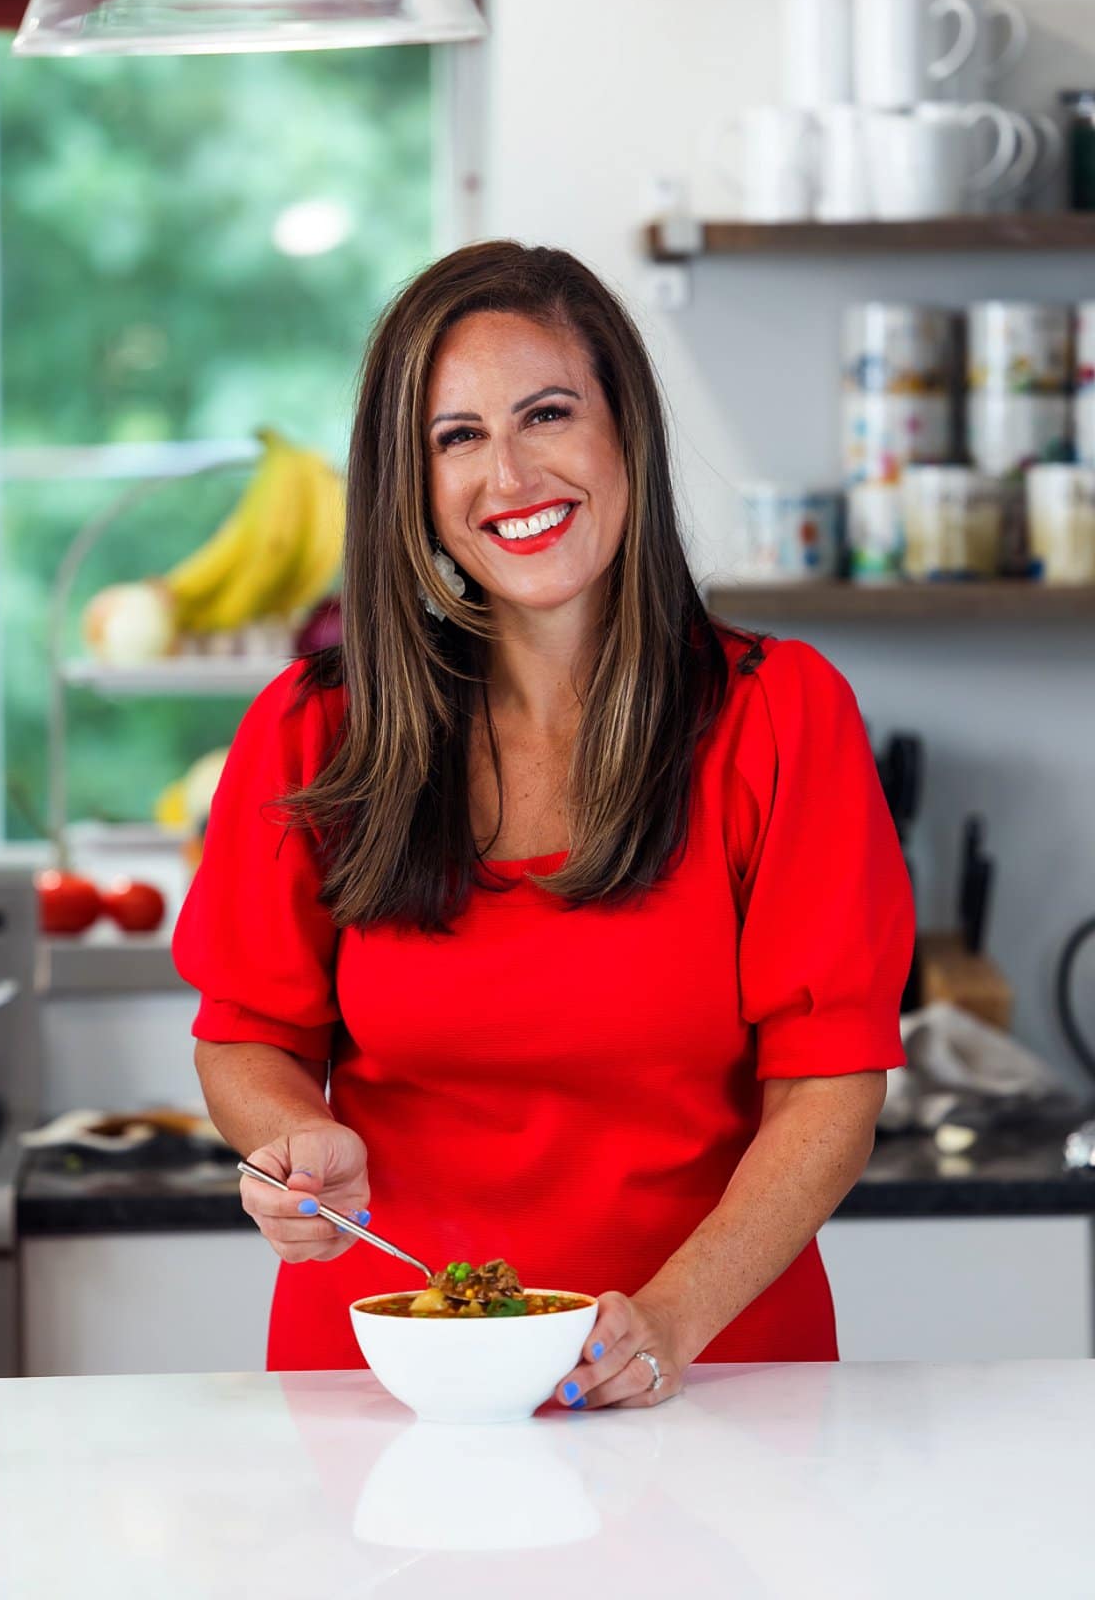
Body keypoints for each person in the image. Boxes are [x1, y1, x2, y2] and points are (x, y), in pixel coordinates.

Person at [173, 240, 914, 1411]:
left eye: (547, 414)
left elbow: (830, 1083)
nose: (508, 474)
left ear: (626, 430)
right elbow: (245, 1032)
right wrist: (292, 1136)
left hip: (711, 1370)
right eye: (455, 436)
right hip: (391, 1377)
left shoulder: (780, 714)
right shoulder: (318, 730)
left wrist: (668, 1317)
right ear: (409, 484)